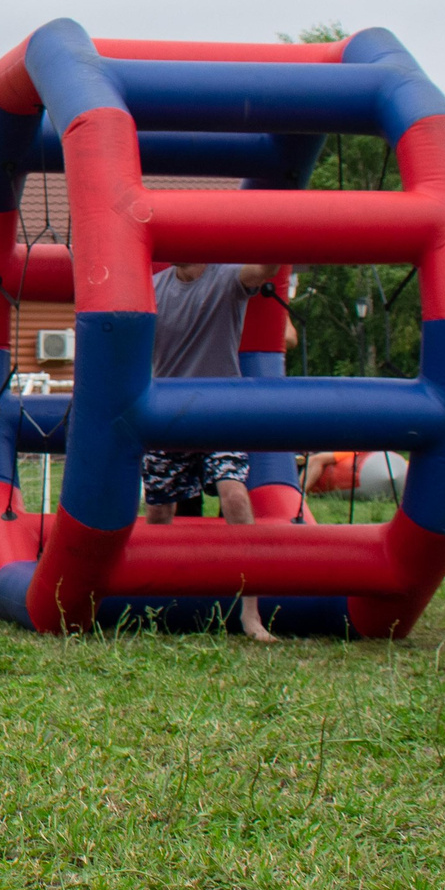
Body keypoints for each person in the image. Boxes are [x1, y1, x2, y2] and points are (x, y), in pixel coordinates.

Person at [141, 259, 290, 642]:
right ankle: (159, 603)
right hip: (169, 412)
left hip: (220, 409)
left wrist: (281, 225)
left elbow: (265, 270)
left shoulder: (226, 277)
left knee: (235, 496)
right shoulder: (153, 286)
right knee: (158, 510)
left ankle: (251, 614)